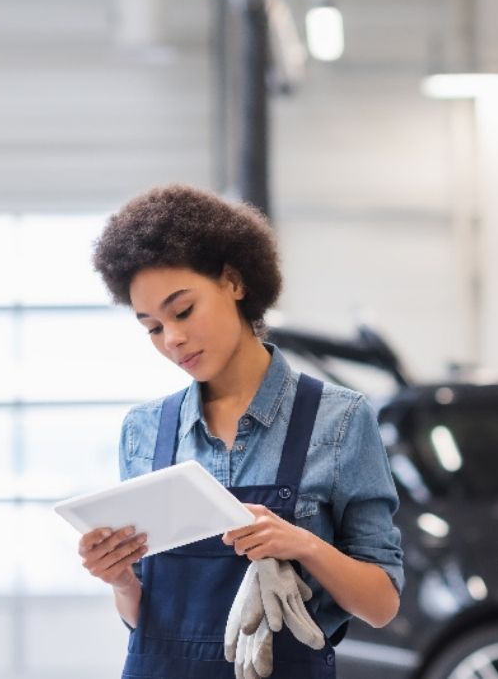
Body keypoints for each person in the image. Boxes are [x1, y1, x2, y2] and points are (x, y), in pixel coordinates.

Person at [76, 184, 404, 678]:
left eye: (182, 310)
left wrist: (302, 545)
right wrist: (121, 580)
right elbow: (147, 621)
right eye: (152, 327)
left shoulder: (338, 420)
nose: (173, 339)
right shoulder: (143, 432)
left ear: (233, 282)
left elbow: (381, 604)